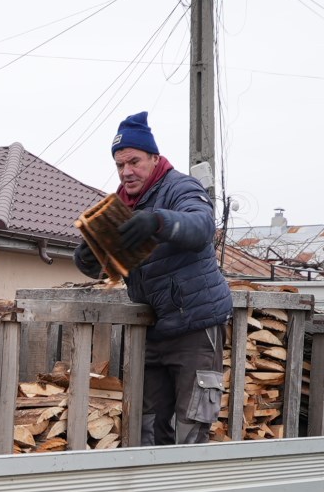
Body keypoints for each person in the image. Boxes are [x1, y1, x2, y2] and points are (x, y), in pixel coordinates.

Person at [73, 111, 232, 445]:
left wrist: (158, 221)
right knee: (146, 425)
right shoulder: (120, 205)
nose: (126, 171)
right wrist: (89, 255)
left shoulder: (181, 187)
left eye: (134, 161)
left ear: (154, 158)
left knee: (192, 424)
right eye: (120, 165)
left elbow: (202, 227)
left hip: (195, 325)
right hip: (152, 328)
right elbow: (103, 267)